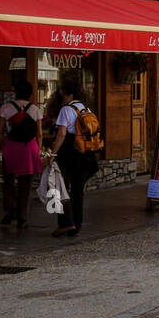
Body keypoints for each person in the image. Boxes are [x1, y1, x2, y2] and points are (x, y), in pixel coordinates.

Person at [49, 74, 98, 238]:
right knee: (78, 191)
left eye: (63, 94)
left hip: (68, 153)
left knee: (59, 188)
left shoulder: (66, 110)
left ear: (69, 95)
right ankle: (77, 224)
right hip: (85, 154)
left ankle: (65, 222)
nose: (61, 97)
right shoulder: (85, 108)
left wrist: (53, 153)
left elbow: (62, 134)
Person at [0, 78, 42, 229]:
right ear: (30, 94)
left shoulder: (6, 108)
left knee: (8, 180)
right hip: (29, 148)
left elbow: (0, 132)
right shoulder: (35, 109)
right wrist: (38, 151)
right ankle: (22, 217)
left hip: (11, 148)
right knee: (25, 183)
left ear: (16, 92)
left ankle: (9, 212)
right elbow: (39, 134)